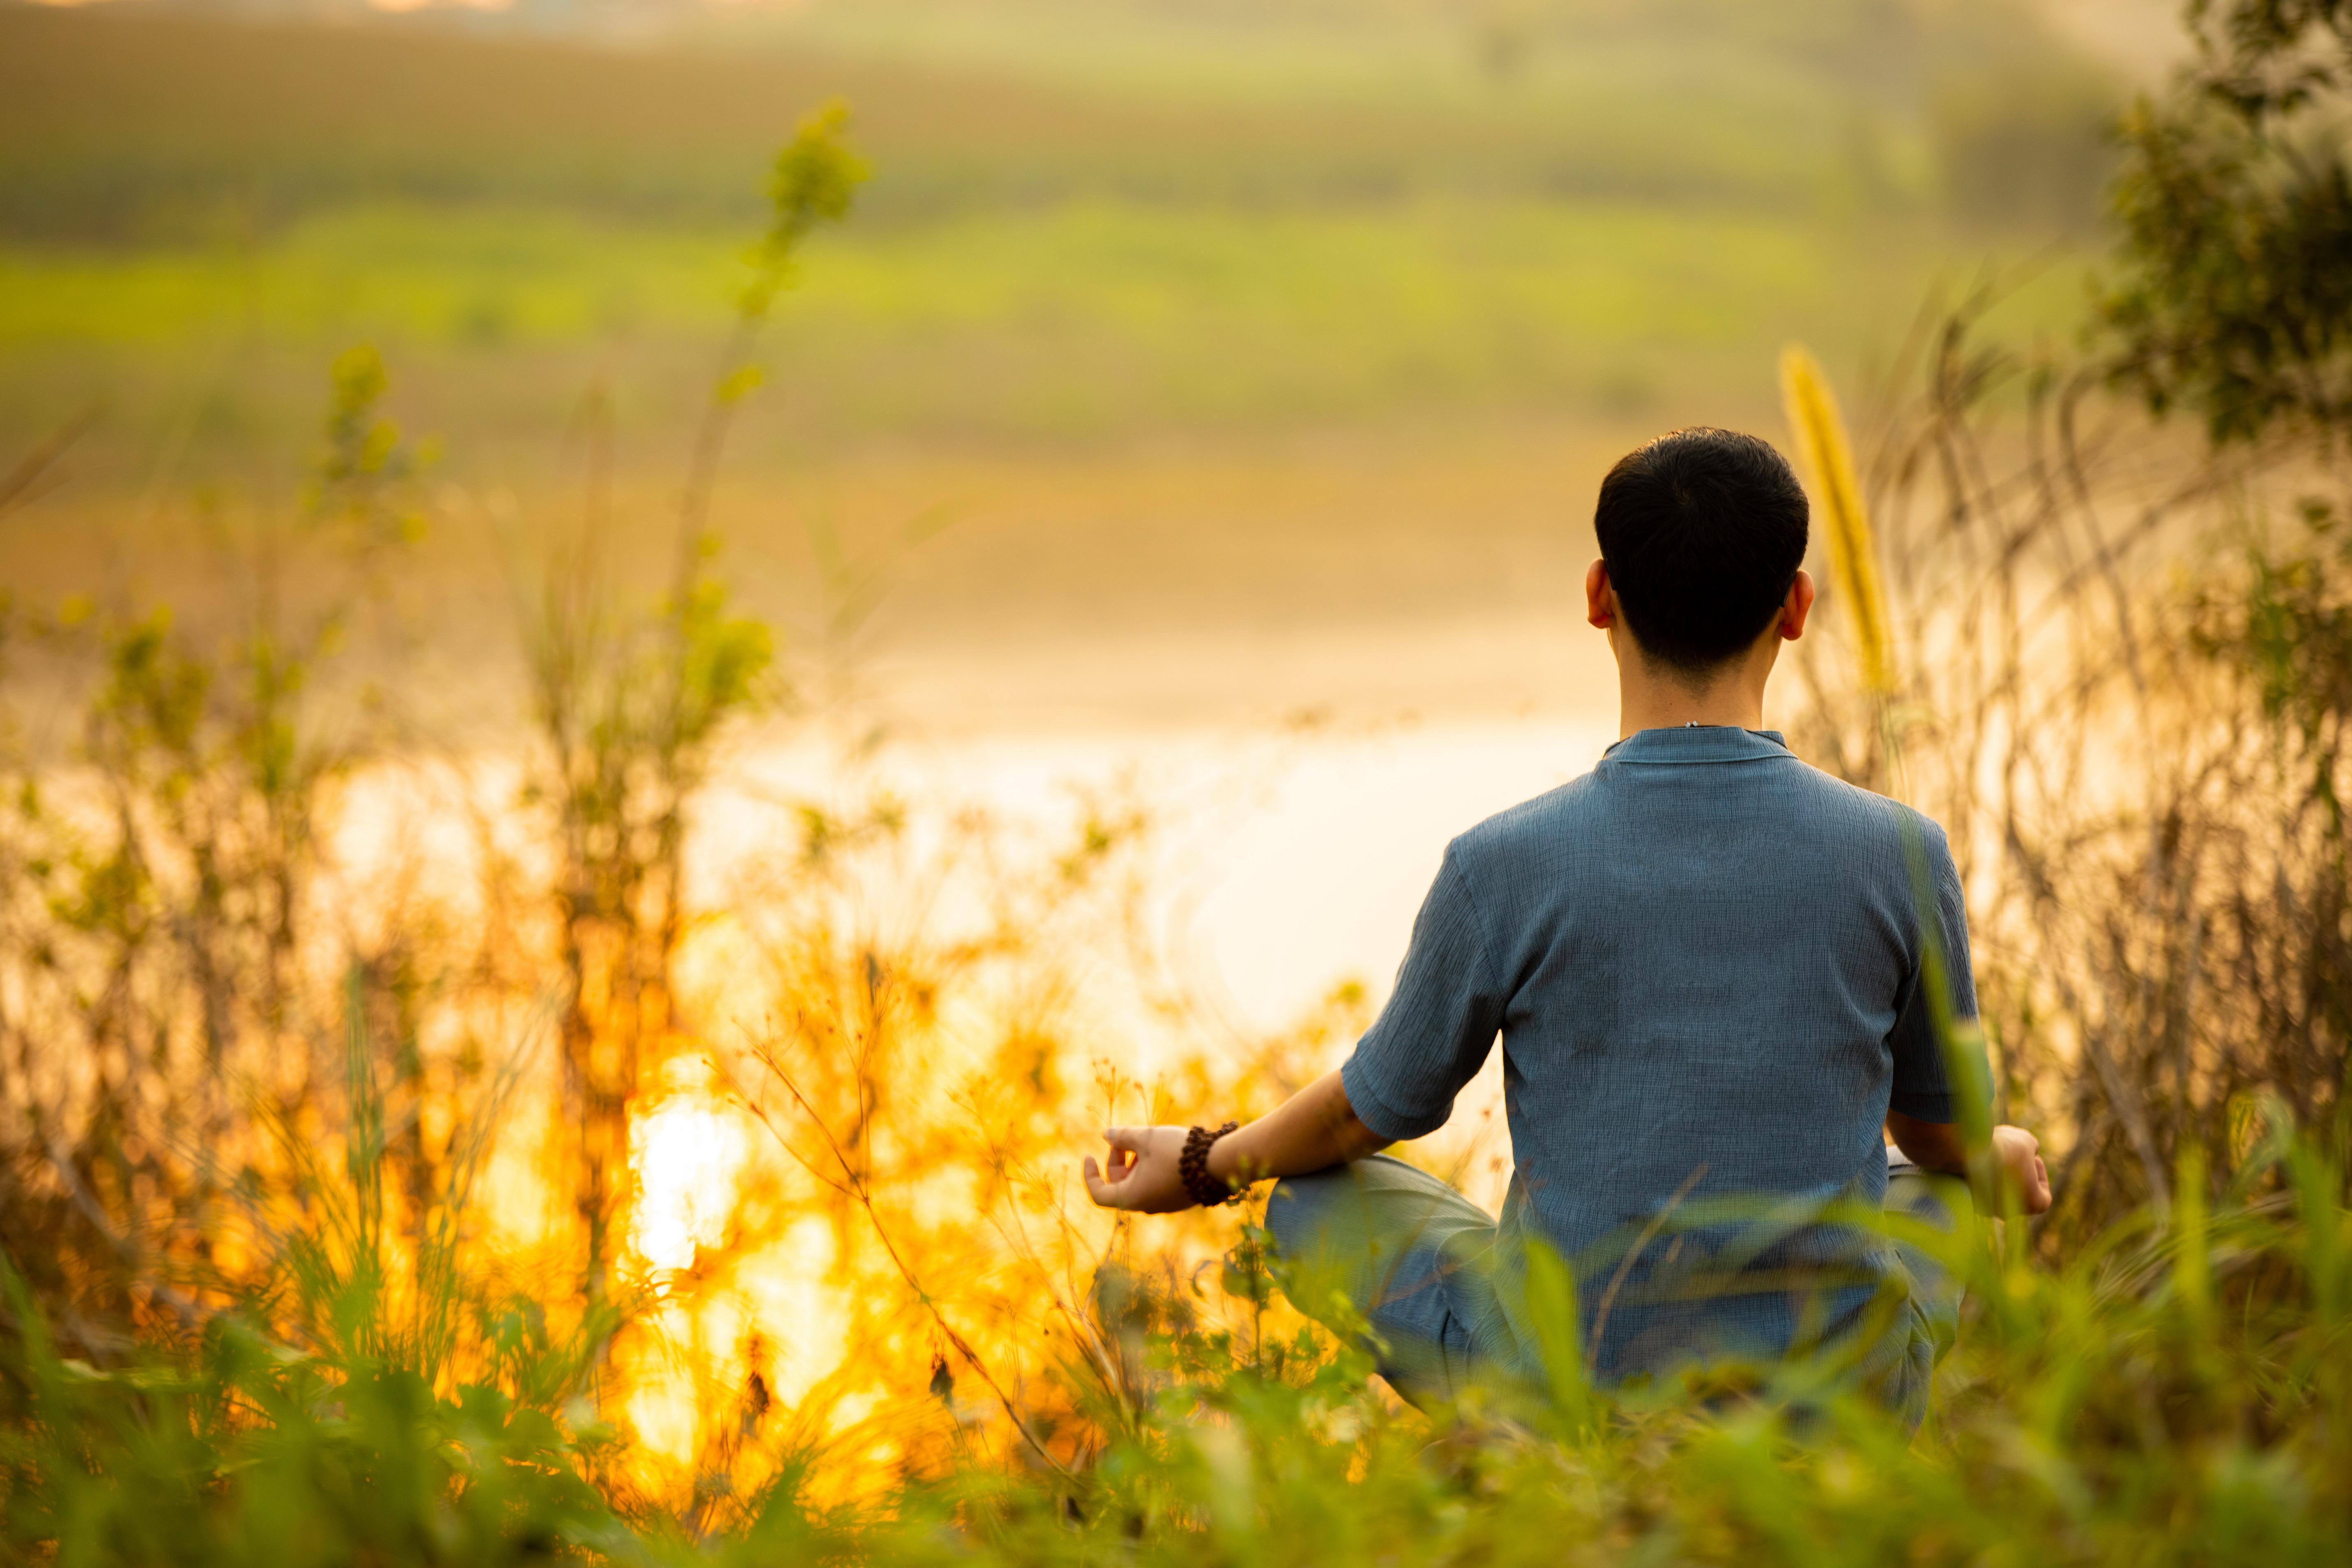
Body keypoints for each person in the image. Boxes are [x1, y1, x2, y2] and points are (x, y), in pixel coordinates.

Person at [1080, 426, 2052, 1420]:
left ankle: (1536, 1427)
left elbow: (1366, 1110)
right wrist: (1995, 1149)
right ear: (1795, 606)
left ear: (1598, 595)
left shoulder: (1501, 862)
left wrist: (1204, 1163)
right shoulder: (1899, 849)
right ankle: (1841, 1419)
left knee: (1312, 1197)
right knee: (1943, 1189)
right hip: (1832, 1393)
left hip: (1579, 1387)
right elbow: (1938, 1133)